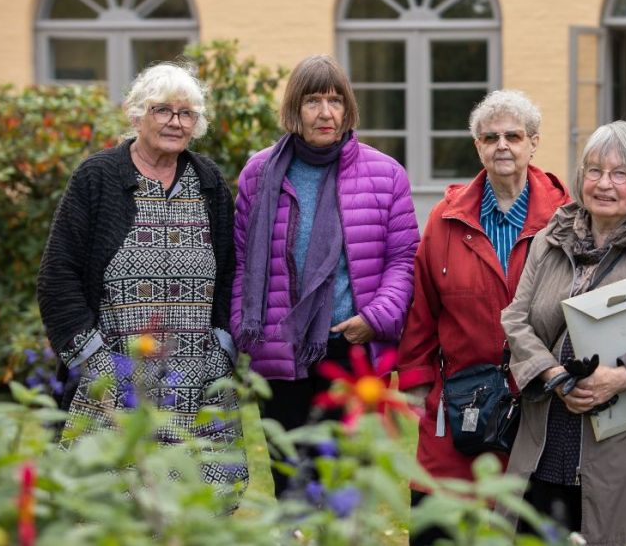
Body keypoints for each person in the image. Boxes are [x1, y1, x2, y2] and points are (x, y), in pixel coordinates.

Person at [37, 62, 246, 488]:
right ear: (137, 114)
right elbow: (58, 276)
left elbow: (230, 272)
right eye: (162, 110)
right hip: (114, 380)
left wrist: (222, 349)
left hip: (197, 380)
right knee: (108, 501)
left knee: (202, 502)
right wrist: (94, 362)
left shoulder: (208, 181)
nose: (175, 122)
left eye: (186, 113)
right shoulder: (99, 177)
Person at [501, 121, 626, 545]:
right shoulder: (549, 240)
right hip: (548, 436)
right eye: (594, 171)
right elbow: (516, 319)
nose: (604, 184)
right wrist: (553, 375)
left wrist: (620, 376)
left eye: (620, 174)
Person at [230, 54, 419, 493]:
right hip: (280, 350)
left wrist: (375, 319)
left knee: (345, 483)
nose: (325, 113)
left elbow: (403, 259)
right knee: (291, 482)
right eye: (312, 101)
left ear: (348, 108)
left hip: (351, 349)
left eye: (335, 101)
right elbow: (242, 260)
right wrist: (244, 328)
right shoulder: (259, 173)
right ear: (294, 108)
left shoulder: (385, 174)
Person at [397, 90, 570, 545]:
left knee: (530, 524)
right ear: (478, 146)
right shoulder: (446, 219)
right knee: (440, 522)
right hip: (461, 398)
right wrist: (414, 380)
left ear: (534, 143)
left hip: (540, 399)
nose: (502, 146)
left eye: (514, 136)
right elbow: (423, 308)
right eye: (490, 137)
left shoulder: (566, 219)